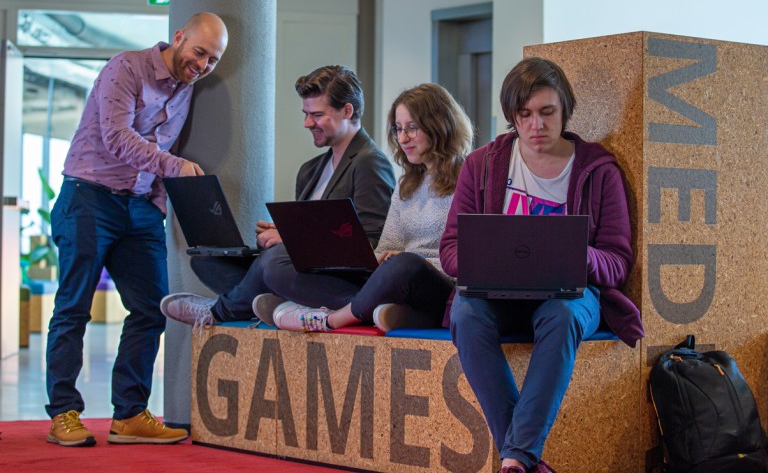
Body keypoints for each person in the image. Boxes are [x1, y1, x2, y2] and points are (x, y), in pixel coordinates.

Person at [439, 58, 644, 473]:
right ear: (512, 116)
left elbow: (617, 261)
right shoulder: (482, 164)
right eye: (524, 115)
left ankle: (516, 457)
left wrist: (570, 254)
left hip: (569, 294)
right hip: (498, 292)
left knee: (563, 313)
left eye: (547, 112)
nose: (536, 125)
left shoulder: (598, 170)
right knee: (465, 311)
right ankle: (523, 460)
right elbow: (450, 250)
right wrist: (485, 260)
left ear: (565, 110)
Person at [45, 12, 229, 447]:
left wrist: (159, 205)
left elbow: (168, 145)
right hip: (88, 196)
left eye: (213, 60)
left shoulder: (187, 90)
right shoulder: (125, 68)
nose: (202, 65)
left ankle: (128, 415)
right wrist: (175, 169)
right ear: (178, 38)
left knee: (150, 310)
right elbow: (117, 137)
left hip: (141, 208)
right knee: (73, 308)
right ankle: (63, 414)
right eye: (199, 52)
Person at [160, 65, 395, 328]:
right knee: (207, 260)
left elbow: (369, 243)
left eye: (317, 114)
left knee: (272, 263)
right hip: (305, 270)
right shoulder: (310, 170)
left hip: (343, 283)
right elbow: (314, 235)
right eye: (306, 114)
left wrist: (291, 238)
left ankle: (220, 312)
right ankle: (272, 301)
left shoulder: (369, 163)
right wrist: (287, 232)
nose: (308, 123)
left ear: (347, 111)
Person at [258, 83, 473, 333]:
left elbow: (467, 259)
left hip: (438, 286)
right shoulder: (408, 184)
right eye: (398, 129)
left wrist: (402, 262)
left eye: (412, 129)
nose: (402, 138)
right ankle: (376, 310)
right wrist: (375, 259)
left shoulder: (469, 178)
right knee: (276, 267)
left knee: (406, 264)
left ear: (439, 126)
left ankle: (330, 318)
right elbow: (387, 246)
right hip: (393, 282)